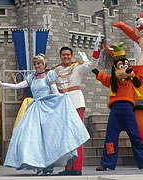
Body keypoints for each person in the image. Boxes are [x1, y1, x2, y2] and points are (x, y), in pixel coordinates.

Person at [0, 54, 90, 175]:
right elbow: (19, 86)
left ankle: (48, 166)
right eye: (35, 64)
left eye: (39, 63)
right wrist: (2, 84)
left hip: (48, 108)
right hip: (35, 109)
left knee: (48, 139)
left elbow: (54, 91)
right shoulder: (32, 77)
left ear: (44, 64)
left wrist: (64, 97)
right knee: (33, 138)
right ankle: (39, 165)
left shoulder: (50, 75)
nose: (37, 66)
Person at [92, 42, 143, 171]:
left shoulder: (132, 82)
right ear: (115, 68)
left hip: (128, 112)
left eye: (126, 66)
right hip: (115, 112)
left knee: (136, 138)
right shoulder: (111, 81)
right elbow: (98, 74)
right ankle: (106, 163)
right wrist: (91, 60)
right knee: (111, 138)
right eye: (121, 66)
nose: (126, 69)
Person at [53, 33, 101, 176]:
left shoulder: (77, 67)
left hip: (76, 102)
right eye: (63, 55)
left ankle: (77, 167)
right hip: (63, 104)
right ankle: (69, 167)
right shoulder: (56, 71)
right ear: (60, 56)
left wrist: (95, 49)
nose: (66, 57)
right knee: (66, 137)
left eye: (68, 55)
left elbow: (93, 65)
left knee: (76, 135)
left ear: (71, 56)